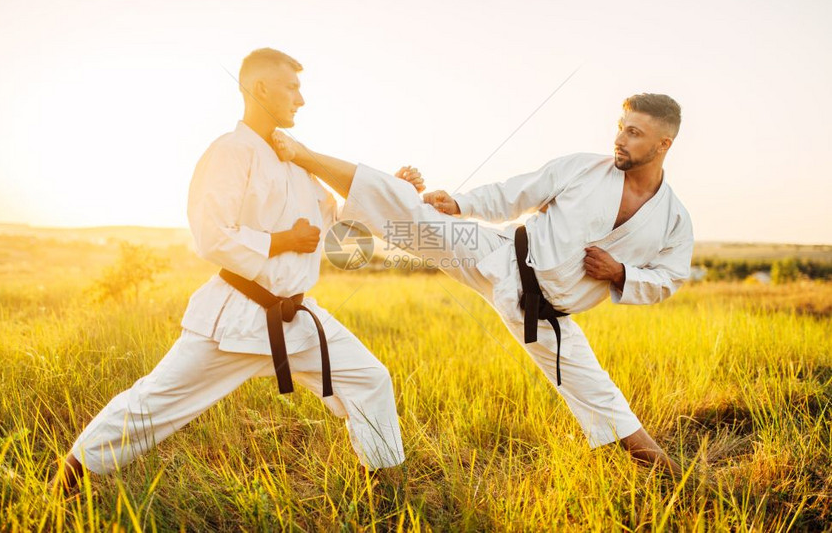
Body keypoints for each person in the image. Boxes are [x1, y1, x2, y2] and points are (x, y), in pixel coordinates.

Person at [271, 93, 693, 476]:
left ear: (663, 145)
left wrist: (621, 274)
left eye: (634, 133)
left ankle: (675, 480)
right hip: (497, 254)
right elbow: (518, 192)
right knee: (412, 221)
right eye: (620, 127)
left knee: (602, 395)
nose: (620, 138)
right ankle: (311, 159)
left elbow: (669, 279)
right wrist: (460, 204)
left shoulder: (674, 220)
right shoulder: (585, 168)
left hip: (547, 317)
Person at [52, 48, 407, 491]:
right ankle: (65, 483)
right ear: (260, 88)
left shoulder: (294, 161)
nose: (301, 99)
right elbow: (211, 234)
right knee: (154, 403)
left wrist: (391, 189)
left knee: (370, 378)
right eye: (292, 87)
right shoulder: (229, 151)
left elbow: (334, 223)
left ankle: (379, 488)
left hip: (297, 317)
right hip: (236, 316)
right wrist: (282, 241)